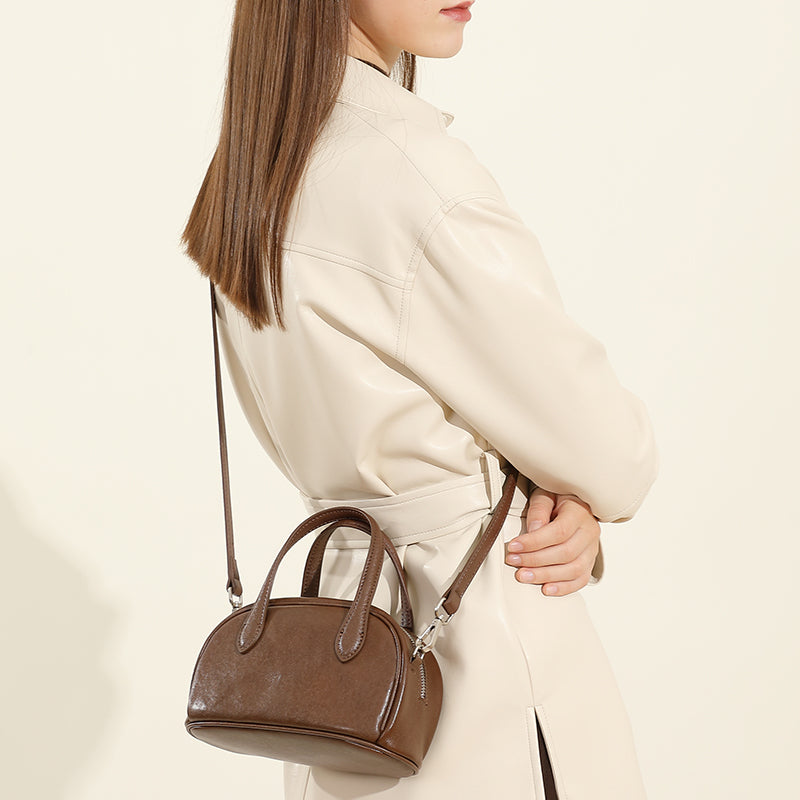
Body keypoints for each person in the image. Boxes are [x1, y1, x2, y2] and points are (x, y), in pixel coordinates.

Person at [181, 1, 659, 798]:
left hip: (338, 653)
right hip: (476, 651)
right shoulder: (412, 176)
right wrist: (561, 490)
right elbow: (613, 452)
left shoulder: (249, 173)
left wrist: (549, 488)